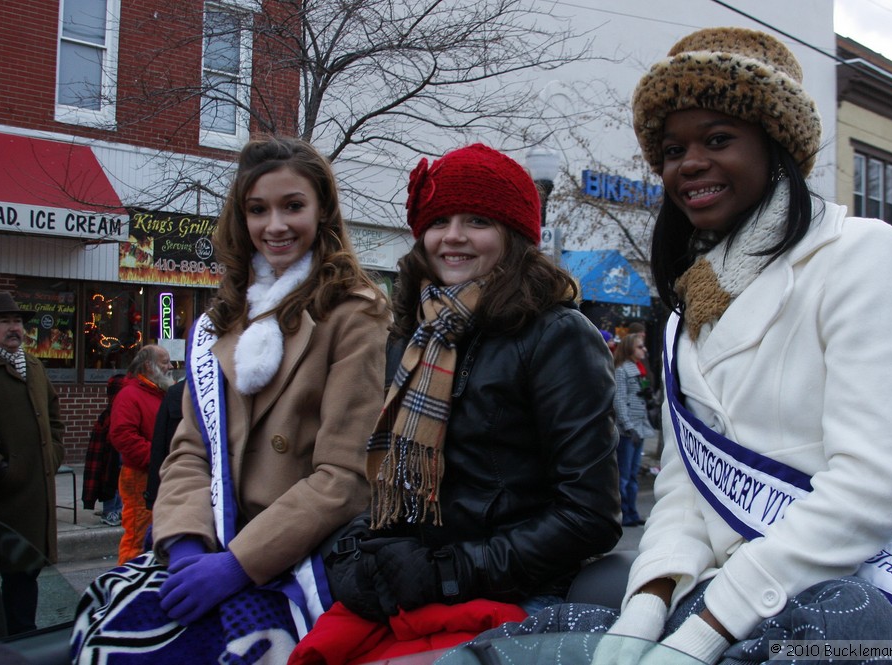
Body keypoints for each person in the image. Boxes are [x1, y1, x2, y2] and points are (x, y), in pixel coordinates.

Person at [596, 27, 892, 665]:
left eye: (718, 139)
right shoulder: (682, 315)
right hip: (730, 600)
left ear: (775, 145)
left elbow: (873, 485)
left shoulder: (859, 254)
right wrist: (647, 605)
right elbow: (682, 490)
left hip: (856, 605)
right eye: (673, 149)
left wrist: (705, 632)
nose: (689, 163)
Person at [294, 143, 621, 662]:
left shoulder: (558, 335)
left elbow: (589, 515)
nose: (453, 237)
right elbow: (390, 484)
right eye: (439, 219)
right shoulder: (414, 335)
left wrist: (449, 570)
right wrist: (356, 554)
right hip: (420, 591)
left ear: (514, 237)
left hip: (516, 598)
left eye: (477, 220)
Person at [72, 135, 389, 663]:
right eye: (257, 210)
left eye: (293, 206)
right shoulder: (223, 319)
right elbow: (190, 451)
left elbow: (346, 477)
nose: (276, 225)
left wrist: (237, 566)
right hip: (210, 544)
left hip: (294, 557)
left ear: (322, 211)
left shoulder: (354, 314)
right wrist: (189, 549)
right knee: (105, 617)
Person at [0, 291, 64, 637]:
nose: (14, 329)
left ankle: (22, 638)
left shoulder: (33, 366)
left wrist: (52, 454)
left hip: (34, 498)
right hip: (1, 496)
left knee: (26, 572)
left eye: (18, 322)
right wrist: (3, 469)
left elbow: (54, 419)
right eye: (5, 321)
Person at [110, 344, 174, 563]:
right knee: (137, 536)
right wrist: (156, 458)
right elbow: (123, 436)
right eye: (165, 362)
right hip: (140, 476)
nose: (171, 366)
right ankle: (126, 581)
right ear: (149, 366)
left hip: (160, 473)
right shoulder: (130, 394)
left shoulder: (159, 393)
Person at [613, 333, 655, 526]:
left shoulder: (640, 369)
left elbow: (642, 397)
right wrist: (629, 427)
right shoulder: (621, 370)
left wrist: (649, 398)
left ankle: (632, 511)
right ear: (630, 349)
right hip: (628, 430)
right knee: (624, 474)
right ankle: (622, 513)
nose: (644, 350)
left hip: (640, 425)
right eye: (640, 347)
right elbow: (619, 399)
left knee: (633, 474)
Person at [81, 374, 125, 527]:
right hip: (111, 455)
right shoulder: (109, 416)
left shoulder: (112, 414)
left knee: (117, 480)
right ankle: (110, 510)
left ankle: (116, 510)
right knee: (111, 479)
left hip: (117, 453)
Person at [143, 377, 184, 511]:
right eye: (165, 362)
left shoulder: (173, 393)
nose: (171, 366)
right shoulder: (175, 393)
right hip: (178, 480)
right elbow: (159, 445)